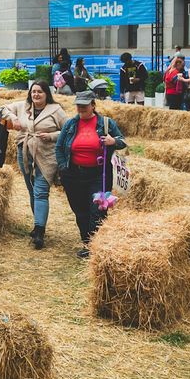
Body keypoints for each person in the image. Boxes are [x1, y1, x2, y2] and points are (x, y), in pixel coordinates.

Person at [55, 90, 126, 258]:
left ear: (93, 105)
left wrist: (113, 141)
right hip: (73, 175)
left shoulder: (106, 124)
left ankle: (95, 245)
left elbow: (123, 141)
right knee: (80, 210)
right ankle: (87, 243)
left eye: (84, 105)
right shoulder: (70, 124)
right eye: (78, 105)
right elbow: (59, 147)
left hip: (98, 175)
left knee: (97, 210)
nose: (81, 109)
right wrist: (63, 168)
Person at [0, 81, 66, 250]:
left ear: (46, 94)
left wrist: (51, 136)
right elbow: (1, 109)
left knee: (41, 190)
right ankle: (38, 223)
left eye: (40, 92)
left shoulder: (55, 110)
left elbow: (67, 130)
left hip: (47, 154)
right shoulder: (23, 106)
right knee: (31, 188)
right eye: (34, 92)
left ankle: (39, 231)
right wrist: (13, 118)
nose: (36, 95)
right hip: (25, 152)